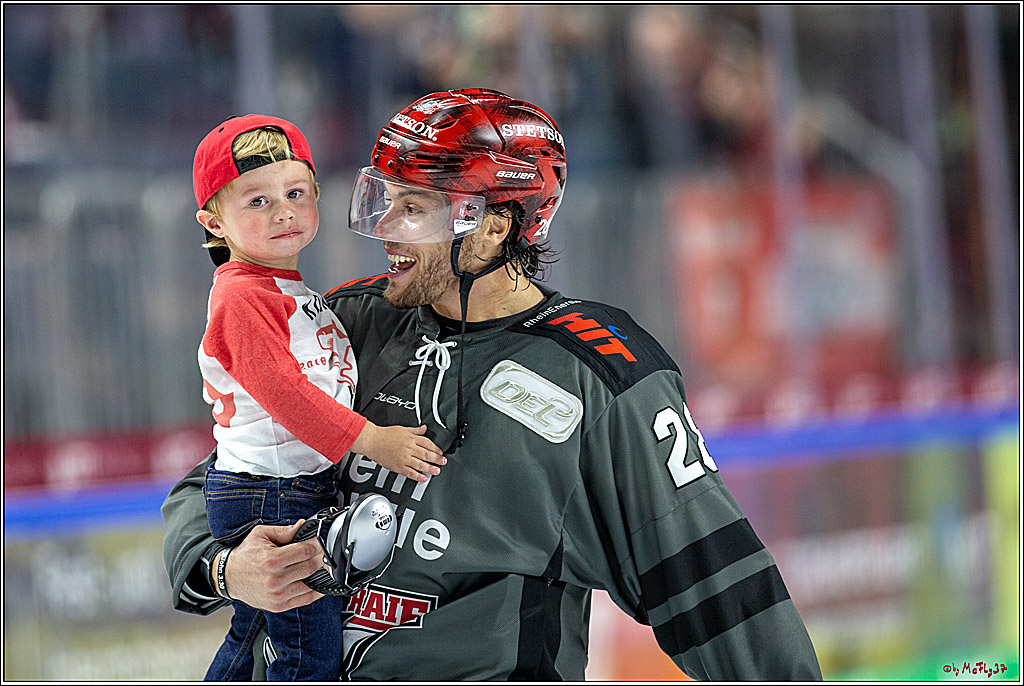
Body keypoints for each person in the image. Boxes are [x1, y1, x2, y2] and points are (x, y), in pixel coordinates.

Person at [163, 89, 822, 680]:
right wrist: (226, 568)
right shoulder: (354, 319)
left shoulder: (600, 374)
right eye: (383, 200)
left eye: (413, 209)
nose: (385, 227)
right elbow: (220, 477)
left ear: (494, 225)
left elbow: (714, 580)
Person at [190, 113, 445, 680]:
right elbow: (285, 394)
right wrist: (373, 440)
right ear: (214, 221)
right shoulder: (240, 298)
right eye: (257, 201)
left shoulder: (289, 290)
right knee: (306, 650)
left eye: (296, 192)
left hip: (294, 486)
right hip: (271, 494)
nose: (284, 210)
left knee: (263, 634)